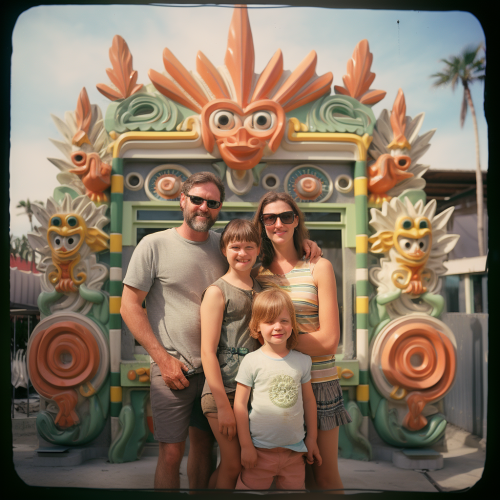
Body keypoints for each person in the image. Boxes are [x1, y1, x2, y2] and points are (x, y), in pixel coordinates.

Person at [120, 172, 321, 490]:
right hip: (174, 366)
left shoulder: (223, 244)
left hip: (226, 374)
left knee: (207, 450)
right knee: (172, 452)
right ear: (182, 199)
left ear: (219, 207)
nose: (204, 207)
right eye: (197, 199)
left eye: (212, 203)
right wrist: (161, 359)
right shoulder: (154, 245)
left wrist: (305, 244)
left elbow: (267, 254)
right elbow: (128, 306)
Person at [253, 191, 352, 493]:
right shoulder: (255, 272)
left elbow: (328, 341)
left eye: (286, 216)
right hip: (273, 383)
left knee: (322, 473)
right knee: (277, 477)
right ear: (262, 224)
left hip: (319, 381)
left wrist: (274, 344)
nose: (278, 223)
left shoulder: (319, 267)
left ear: (297, 220)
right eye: (270, 218)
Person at [234, 288, 322, 491]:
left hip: (295, 454)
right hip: (259, 453)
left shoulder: (302, 361)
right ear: (257, 326)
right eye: (269, 321)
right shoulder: (251, 361)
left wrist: (312, 439)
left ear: (292, 323)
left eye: (284, 320)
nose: (278, 327)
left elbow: (309, 402)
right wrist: (246, 446)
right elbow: (239, 404)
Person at [200, 219, 262, 489]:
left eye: (249, 246)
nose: (243, 253)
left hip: (254, 391)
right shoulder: (217, 291)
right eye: (235, 246)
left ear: (258, 250)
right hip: (222, 392)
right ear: (224, 249)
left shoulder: (261, 289)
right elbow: (207, 351)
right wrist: (223, 407)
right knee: (233, 462)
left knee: (248, 464)